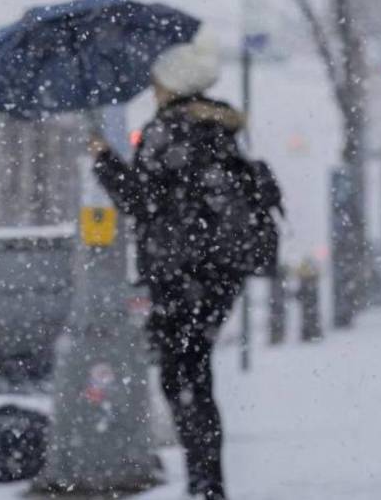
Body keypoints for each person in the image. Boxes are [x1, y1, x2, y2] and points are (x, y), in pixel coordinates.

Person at [88, 33, 245, 500]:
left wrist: (104, 163)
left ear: (174, 84)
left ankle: (205, 485)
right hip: (214, 274)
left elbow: (144, 201)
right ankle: (206, 482)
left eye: (158, 82)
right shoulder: (218, 128)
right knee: (195, 376)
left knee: (183, 379)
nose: (153, 90)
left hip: (179, 273)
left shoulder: (169, 130)